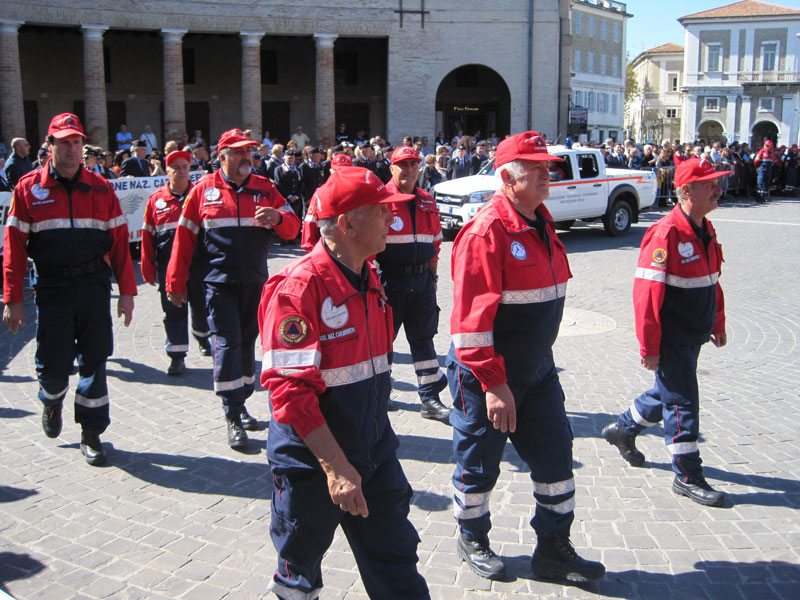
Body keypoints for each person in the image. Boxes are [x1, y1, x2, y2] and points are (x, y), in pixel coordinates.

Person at [258, 166, 430, 600]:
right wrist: (336, 468)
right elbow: (290, 394)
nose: (393, 219)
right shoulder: (297, 289)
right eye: (381, 211)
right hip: (313, 463)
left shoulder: (370, 276)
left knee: (397, 559)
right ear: (346, 223)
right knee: (300, 575)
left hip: (373, 451)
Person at [447, 131, 605, 582]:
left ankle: (553, 548)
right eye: (535, 168)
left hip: (538, 370)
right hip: (489, 376)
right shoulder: (488, 231)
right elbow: (471, 325)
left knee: (556, 458)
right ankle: (472, 535)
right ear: (507, 177)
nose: (546, 173)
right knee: (479, 463)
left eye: (547, 166)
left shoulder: (539, 218)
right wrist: (495, 385)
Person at [2, 113, 136, 466]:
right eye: (64, 142)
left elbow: (119, 242)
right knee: (54, 363)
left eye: (76, 141)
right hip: (53, 287)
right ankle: (52, 399)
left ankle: (91, 433)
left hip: (93, 286)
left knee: (95, 359)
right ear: (50, 146)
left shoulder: (101, 188)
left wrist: (127, 292)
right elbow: (13, 248)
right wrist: (12, 299)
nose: (72, 148)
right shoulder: (28, 188)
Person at [602, 157, 729, 508]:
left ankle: (624, 428)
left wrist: (717, 323)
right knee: (683, 403)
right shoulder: (665, 234)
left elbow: (712, 283)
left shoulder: (705, 228)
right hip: (672, 338)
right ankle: (687, 475)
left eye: (717, 183)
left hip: (695, 332)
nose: (718, 189)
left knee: (669, 392)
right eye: (710, 185)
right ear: (687, 191)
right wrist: (649, 346)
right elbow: (646, 298)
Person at [166, 129, 300, 449]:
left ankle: (241, 402)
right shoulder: (202, 190)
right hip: (218, 284)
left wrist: (278, 217)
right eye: (238, 152)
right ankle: (232, 413)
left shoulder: (265, 188)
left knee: (246, 345)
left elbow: (294, 229)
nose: (246, 157)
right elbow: (183, 241)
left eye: (249, 152)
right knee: (227, 343)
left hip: (255, 283)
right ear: (222, 156)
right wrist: (175, 282)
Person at [377, 146, 449, 421]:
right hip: (389, 283)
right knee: (383, 343)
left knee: (424, 341)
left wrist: (433, 279)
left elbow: (436, 244)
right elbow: (368, 249)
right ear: (392, 168)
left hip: (421, 283)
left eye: (413, 165)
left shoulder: (427, 200)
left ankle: (430, 399)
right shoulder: (380, 199)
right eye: (403, 164)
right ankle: (379, 394)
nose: (408, 170)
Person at [141, 150, 212, 375]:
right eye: (176, 167)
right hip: (169, 268)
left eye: (185, 167)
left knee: (202, 309)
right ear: (167, 171)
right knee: (173, 311)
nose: (181, 171)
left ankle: (203, 338)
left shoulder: (201, 195)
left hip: (198, 266)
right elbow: (147, 237)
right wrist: (148, 270)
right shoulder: (156, 200)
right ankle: (177, 356)